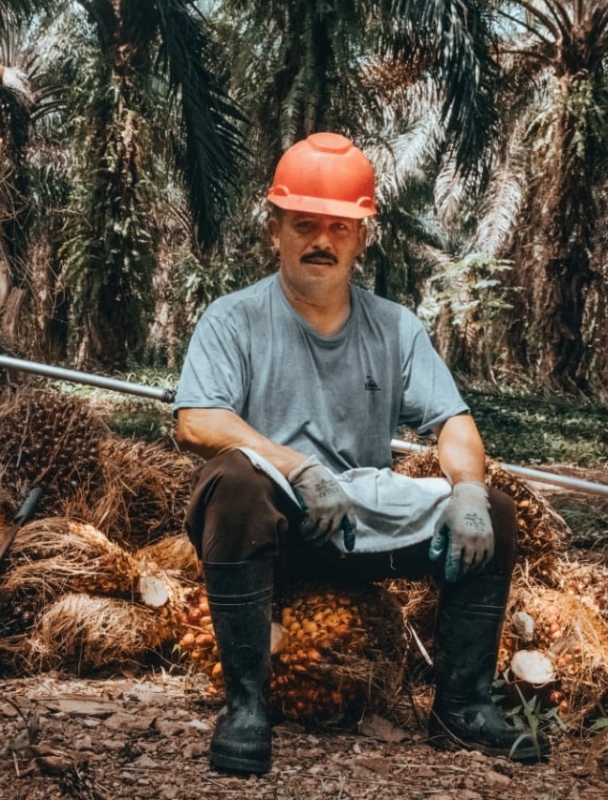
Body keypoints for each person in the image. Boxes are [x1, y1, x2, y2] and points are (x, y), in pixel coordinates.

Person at [173, 132, 543, 775]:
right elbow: (196, 421)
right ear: (275, 230)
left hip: (361, 518)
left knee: (498, 513)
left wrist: (467, 491)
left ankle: (462, 704)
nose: (322, 240)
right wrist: (298, 468)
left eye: (339, 226)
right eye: (305, 223)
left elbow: (454, 421)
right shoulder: (233, 320)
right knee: (232, 481)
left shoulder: (396, 327)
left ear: (362, 235)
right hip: (277, 526)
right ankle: (245, 706)